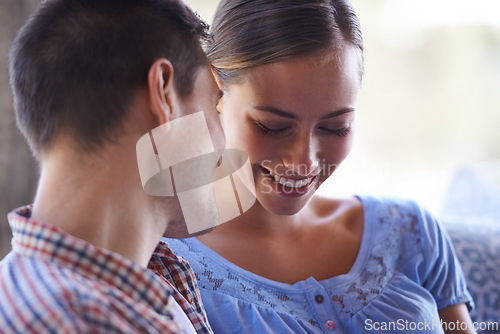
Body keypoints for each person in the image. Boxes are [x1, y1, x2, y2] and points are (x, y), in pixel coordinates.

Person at [165, 0, 476, 333]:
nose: (304, 162)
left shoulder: (409, 231)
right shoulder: (166, 265)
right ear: (214, 91)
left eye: (335, 127)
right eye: (272, 126)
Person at [0, 0, 223, 333]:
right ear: (164, 92)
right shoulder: (76, 322)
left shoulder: (150, 280)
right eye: (215, 105)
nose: (224, 139)